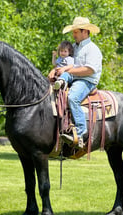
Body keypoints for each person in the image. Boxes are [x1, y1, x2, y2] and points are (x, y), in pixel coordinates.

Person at [48, 17, 103, 148]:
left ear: (85, 32)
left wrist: (68, 70)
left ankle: (80, 133)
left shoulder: (92, 49)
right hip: (72, 76)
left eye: (76, 32)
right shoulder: (73, 47)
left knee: (73, 97)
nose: (73, 35)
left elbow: (89, 70)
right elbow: (64, 63)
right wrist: (55, 70)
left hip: (86, 80)